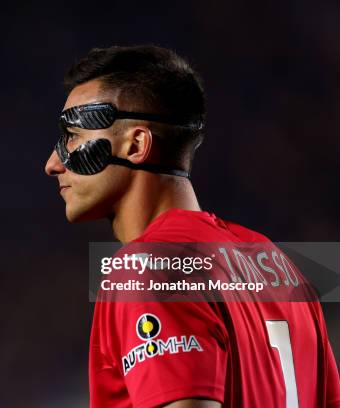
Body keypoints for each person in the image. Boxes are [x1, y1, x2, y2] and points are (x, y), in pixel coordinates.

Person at [44, 45, 340, 407]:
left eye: (73, 136)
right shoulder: (278, 264)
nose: (53, 163)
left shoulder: (148, 266)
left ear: (136, 144)